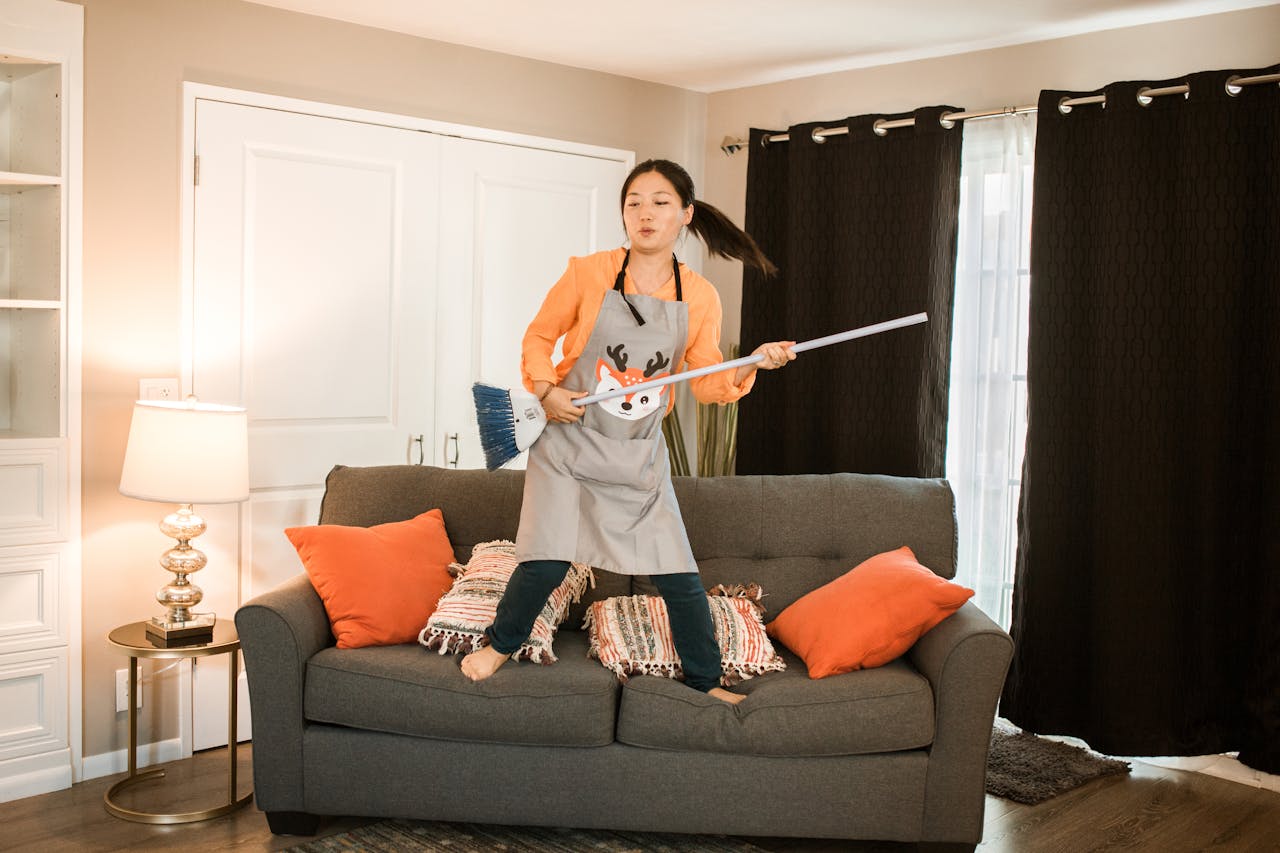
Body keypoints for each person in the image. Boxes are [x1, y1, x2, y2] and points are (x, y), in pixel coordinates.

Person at [461, 159, 795, 705]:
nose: (645, 213)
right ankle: (500, 644)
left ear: (685, 215)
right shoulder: (587, 272)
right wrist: (547, 391)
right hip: (569, 442)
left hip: (638, 453)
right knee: (545, 556)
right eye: (634, 202)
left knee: (678, 573)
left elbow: (709, 385)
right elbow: (538, 338)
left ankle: (706, 681)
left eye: (661, 202)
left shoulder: (700, 297)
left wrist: (754, 363)